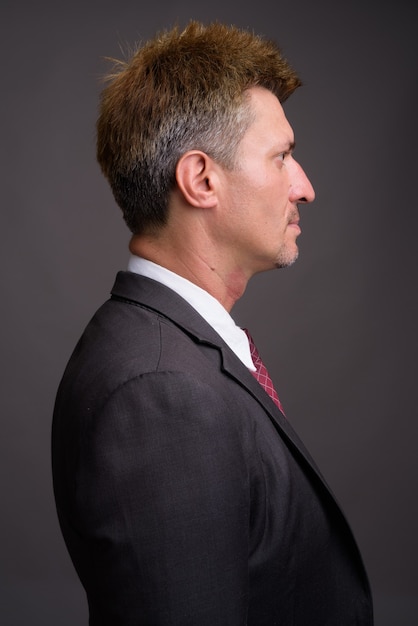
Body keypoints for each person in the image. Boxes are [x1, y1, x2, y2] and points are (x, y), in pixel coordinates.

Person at [52, 20, 373, 625]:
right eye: (281, 157)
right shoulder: (159, 393)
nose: (304, 187)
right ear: (201, 179)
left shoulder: (169, 355)